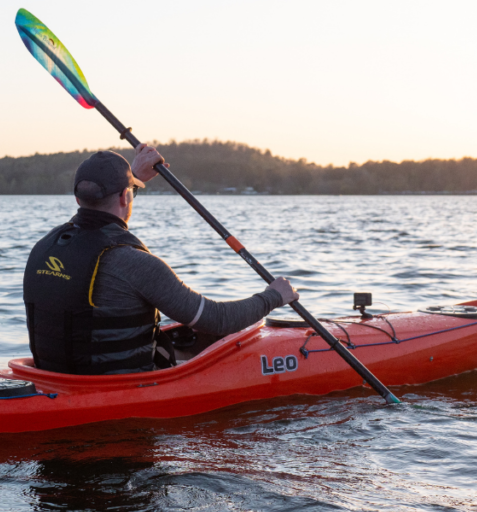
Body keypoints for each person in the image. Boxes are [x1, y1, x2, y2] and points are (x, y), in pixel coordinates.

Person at [23, 144, 299, 375]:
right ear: (123, 196)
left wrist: (133, 180)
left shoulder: (46, 246)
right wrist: (273, 297)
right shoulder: (135, 264)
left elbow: (102, 219)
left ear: (78, 198)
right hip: (116, 388)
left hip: (56, 377)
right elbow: (217, 321)